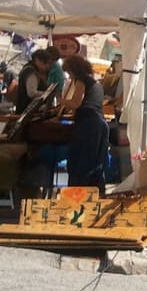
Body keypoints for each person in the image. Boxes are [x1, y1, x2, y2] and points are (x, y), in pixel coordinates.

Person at [56, 54, 109, 193]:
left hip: (89, 124)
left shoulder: (81, 80)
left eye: (69, 73)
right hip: (100, 124)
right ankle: (96, 197)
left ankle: (78, 197)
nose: (70, 76)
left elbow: (75, 103)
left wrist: (61, 100)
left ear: (74, 70)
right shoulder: (96, 82)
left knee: (81, 164)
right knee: (96, 165)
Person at [15, 49, 55, 114]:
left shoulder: (31, 70)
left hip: (27, 110)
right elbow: (32, 93)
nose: (48, 66)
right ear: (38, 60)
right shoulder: (31, 71)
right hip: (27, 112)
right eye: (46, 62)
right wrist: (47, 93)